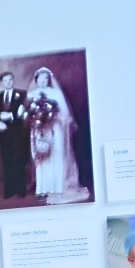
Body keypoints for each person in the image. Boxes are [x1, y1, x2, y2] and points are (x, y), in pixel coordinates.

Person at [25, 66, 79, 201]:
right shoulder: (31, 95)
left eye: (46, 78)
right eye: (40, 78)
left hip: (55, 129)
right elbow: (27, 113)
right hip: (39, 130)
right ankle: (42, 188)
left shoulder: (56, 93)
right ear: (36, 79)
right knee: (41, 156)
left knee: (56, 154)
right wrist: (37, 120)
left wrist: (52, 118)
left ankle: (57, 187)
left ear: (49, 80)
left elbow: (64, 113)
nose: (43, 81)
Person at [0, 70, 27, 200]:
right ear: (2, 83)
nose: (8, 83)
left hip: (18, 133)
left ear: (13, 80)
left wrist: (10, 116)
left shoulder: (22, 94)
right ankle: (9, 189)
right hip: (3, 134)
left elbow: (24, 111)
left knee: (19, 160)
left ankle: (21, 189)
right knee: (7, 160)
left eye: (10, 80)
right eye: (5, 81)